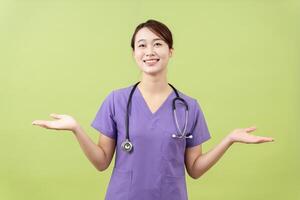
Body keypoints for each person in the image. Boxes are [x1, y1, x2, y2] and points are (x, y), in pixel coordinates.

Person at [32, 19, 275, 200]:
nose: (150, 51)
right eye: (142, 45)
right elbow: (101, 161)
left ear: (170, 51)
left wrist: (229, 140)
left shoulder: (189, 107)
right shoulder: (116, 100)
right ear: (134, 53)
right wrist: (76, 129)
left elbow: (195, 169)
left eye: (158, 44)